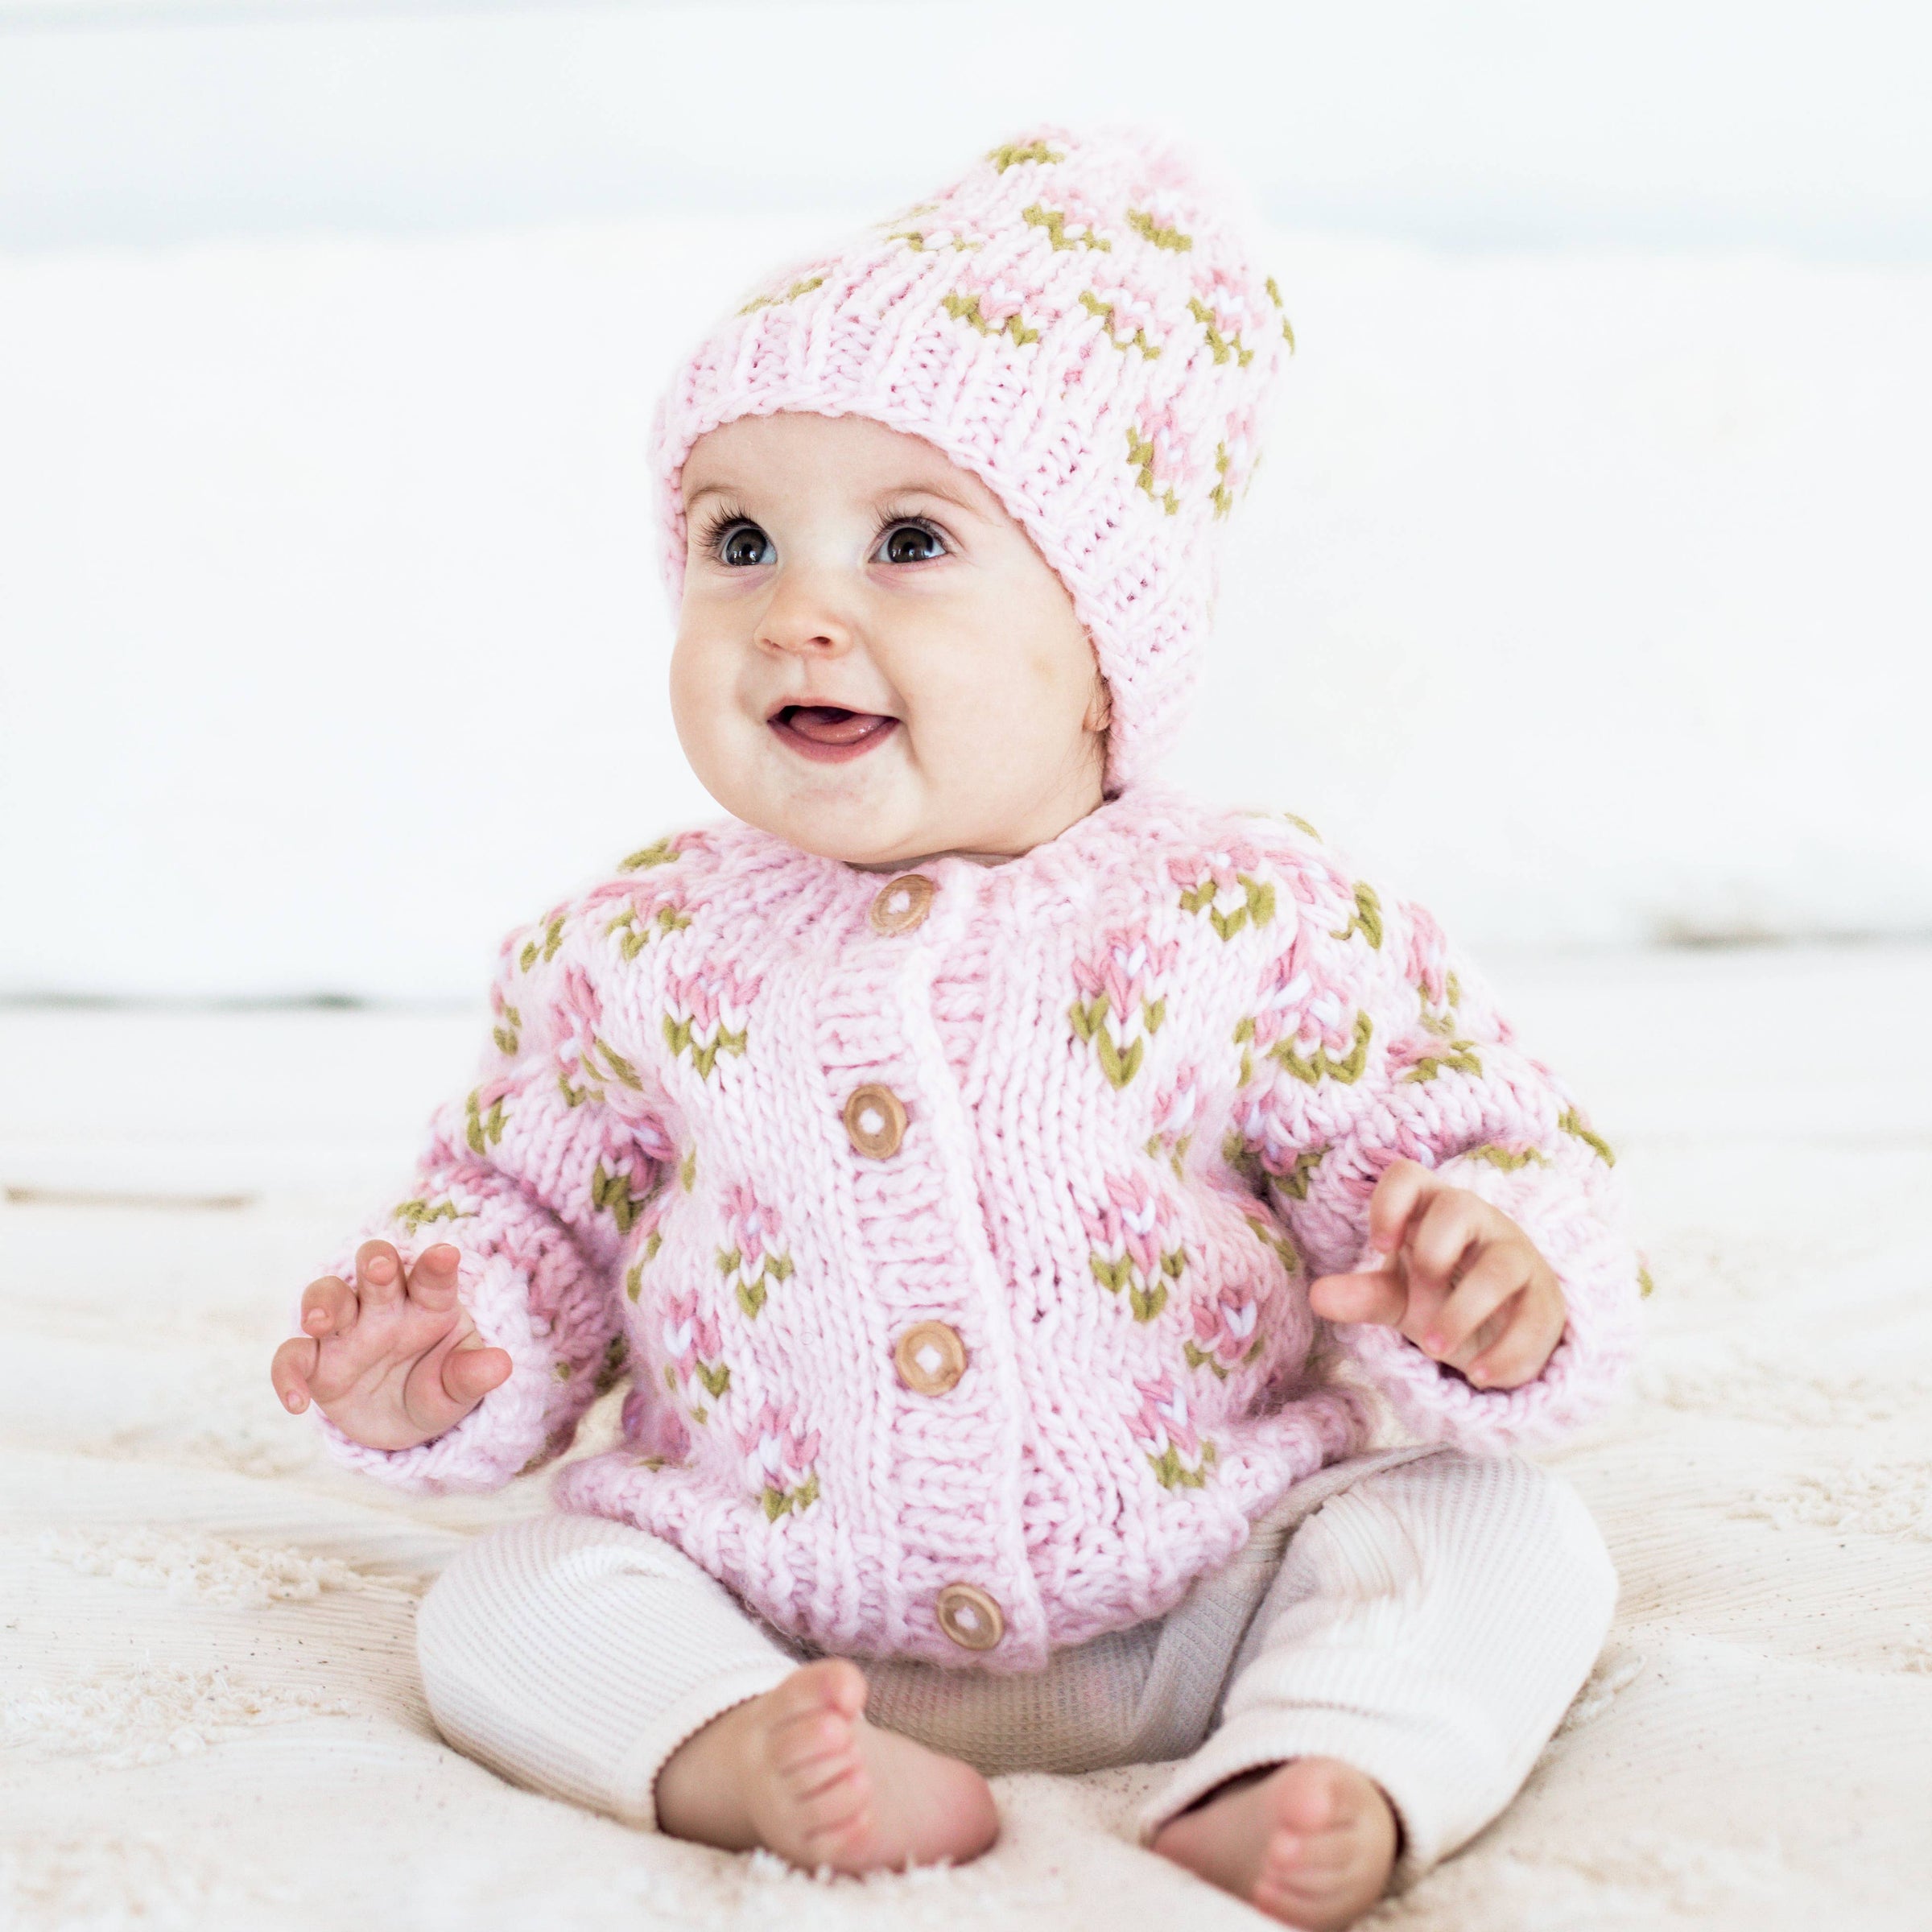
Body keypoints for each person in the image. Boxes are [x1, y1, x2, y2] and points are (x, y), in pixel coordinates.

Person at [269, 127, 1640, 1930]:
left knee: (1500, 1531)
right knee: (501, 1598)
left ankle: (1333, 1752)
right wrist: (452, 1347)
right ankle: (739, 1748)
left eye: (910, 541)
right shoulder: (633, 950)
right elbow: (526, 1220)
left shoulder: (1255, 921)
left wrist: (1496, 1272)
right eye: (737, 543)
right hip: (771, 1596)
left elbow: (1471, 1153)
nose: (796, 612)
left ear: (1105, 641)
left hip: (1208, 1581)